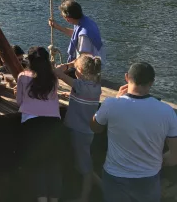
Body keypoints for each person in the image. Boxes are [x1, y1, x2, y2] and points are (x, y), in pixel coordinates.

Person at [91, 62, 177, 202]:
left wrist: (117, 99)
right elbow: (174, 156)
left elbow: (95, 127)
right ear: (152, 82)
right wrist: (159, 162)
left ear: (126, 77)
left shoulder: (111, 104)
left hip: (115, 177)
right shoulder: (167, 112)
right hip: (148, 179)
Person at [16, 46, 62, 202]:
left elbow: (19, 101)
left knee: (39, 164)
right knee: (53, 164)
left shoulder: (23, 76)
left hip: (32, 123)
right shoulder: (53, 78)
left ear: (29, 61)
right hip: (53, 124)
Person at [55, 54, 102, 202]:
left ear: (80, 70)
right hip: (86, 131)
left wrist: (69, 65)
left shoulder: (79, 85)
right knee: (82, 162)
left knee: (85, 167)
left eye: (76, 69)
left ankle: (84, 197)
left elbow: (56, 72)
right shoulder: (96, 87)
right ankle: (104, 187)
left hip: (78, 131)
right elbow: (84, 98)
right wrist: (70, 94)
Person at [49, 0, 105, 66]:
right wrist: (57, 27)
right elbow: (76, 35)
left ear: (68, 19)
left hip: (90, 69)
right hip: (97, 63)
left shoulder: (84, 36)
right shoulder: (86, 21)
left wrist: (65, 66)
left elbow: (84, 59)